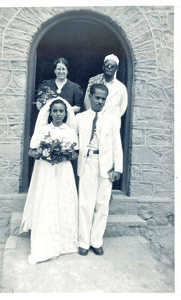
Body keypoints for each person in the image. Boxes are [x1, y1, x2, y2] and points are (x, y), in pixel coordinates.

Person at [19, 98, 78, 264]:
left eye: (61, 111)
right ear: (50, 113)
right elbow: (31, 151)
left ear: (66, 113)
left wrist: (65, 153)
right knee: (47, 201)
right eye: (55, 111)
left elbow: (75, 154)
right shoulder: (43, 130)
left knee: (62, 201)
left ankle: (64, 242)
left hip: (64, 171)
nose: (58, 114)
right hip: (45, 170)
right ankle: (45, 241)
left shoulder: (71, 132)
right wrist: (42, 153)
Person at [76, 83, 123, 256]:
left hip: (106, 166)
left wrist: (117, 167)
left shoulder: (111, 119)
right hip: (88, 162)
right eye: (97, 98)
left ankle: (96, 241)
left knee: (102, 204)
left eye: (103, 99)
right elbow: (72, 140)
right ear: (90, 96)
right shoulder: (80, 118)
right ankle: (83, 241)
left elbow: (116, 144)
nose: (100, 102)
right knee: (85, 204)